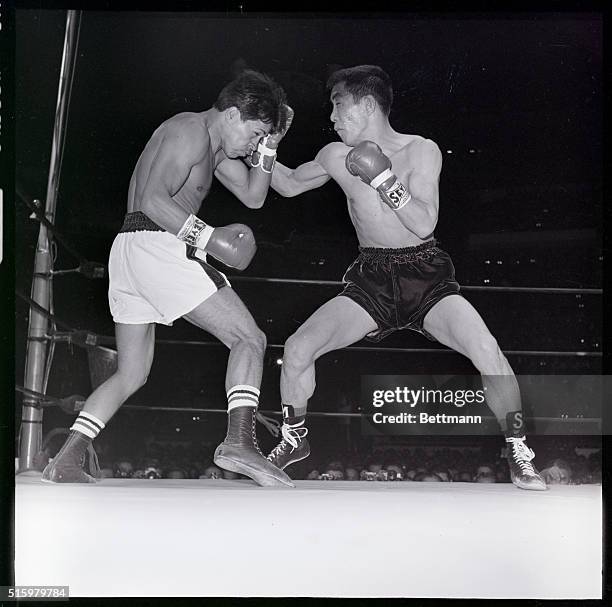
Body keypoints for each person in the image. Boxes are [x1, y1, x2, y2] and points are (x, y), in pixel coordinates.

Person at [267, 65, 546, 491]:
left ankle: (518, 448)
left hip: (425, 274)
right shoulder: (333, 157)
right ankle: (294, 439)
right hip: (372, 278)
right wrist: (265, 144)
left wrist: (382, 177)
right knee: (300, 348)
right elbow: (286, 185)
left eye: (339, 106)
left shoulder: (421, 151)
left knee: (486, 349)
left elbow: (424, 222)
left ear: (365, 104)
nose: (334, 118)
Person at [42, 69, 294, 487]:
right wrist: (211, 239)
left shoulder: (214, 151)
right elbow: (153, 199)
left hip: (132, 252)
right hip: (155, 242)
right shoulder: (190, 130)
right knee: (249, 338)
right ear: (232, 114)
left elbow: (254, 196)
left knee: (132, 372)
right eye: (254, 133)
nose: (252, 145)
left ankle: (65, 459)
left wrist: (270, 145)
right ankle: (239, 442)